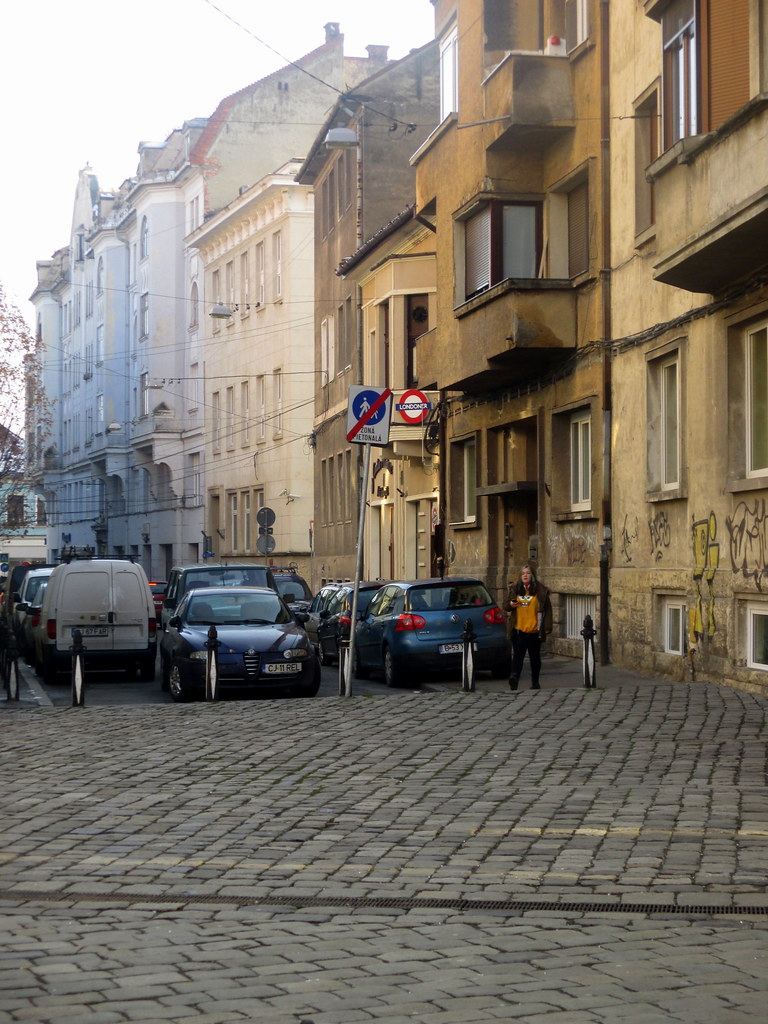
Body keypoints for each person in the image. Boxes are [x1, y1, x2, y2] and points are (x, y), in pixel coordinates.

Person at [505, 564, 552, 691]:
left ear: (532, 576)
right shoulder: (515, 589)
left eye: (528, 573)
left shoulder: (540, 590)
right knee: (518, 657)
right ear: (520, 576)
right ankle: (514, 679)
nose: (525, 575)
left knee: (535, 658)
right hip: (519, 629)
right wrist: (510, 604)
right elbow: (506, 606)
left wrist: (547, 627)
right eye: (523, 573)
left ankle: (535, 681)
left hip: (534, 630)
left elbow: (547, 608)